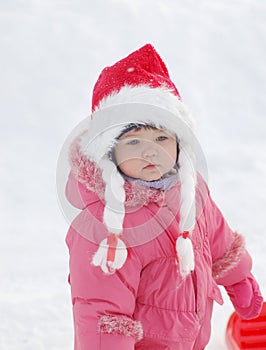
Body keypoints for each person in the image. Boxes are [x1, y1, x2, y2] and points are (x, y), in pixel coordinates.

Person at [64, 44, 263, 349]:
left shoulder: (190, 192)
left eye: (160, 138)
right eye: (133, 142)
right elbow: (101, 312)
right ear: (108, 151)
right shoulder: (107, 227)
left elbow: (217, 236)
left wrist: (239, 279)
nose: (150, 150)